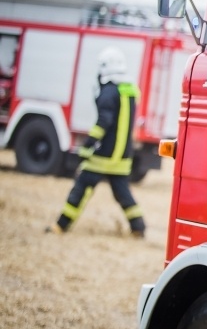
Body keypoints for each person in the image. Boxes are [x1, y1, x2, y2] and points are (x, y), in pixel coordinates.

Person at [46, 47, 146, 237]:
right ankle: (138, 228)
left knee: (81, 187)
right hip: (123, 155)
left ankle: (61, 225)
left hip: (104, 155)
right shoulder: (129, 90)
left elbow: (104, 121)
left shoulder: (108, 91)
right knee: (122, 193)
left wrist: (90, 142)